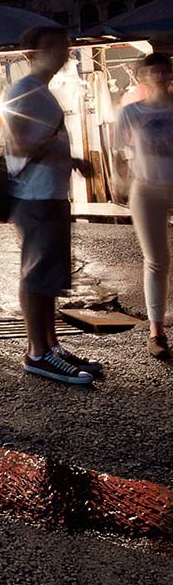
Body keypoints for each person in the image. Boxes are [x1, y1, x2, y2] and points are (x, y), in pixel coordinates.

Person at [4, 25, 102, 385]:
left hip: (51, 193)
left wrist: (71, 161)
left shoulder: (42, 91)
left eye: (65, 45)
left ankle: (51, 345)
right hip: (35, 196)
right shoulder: (23, 91)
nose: (64, 51)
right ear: (32, 52)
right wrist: (52, 145)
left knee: (48, 277)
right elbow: (18, 146)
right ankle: (37, 353)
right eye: (55, 46)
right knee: (36, 274)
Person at [113, 52, 173, 359]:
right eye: (152, 71)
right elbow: (117, 151)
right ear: (142, 77)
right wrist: (118, 182)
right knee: (156, 261)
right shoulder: (131, 112)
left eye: (163, 71)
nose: (159, 76)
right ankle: (156, 332)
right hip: (146, 190)